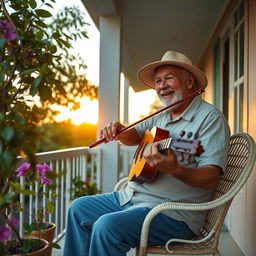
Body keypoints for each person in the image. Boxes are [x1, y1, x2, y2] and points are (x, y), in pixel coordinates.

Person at [63, 51, 230, 256]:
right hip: (131, 197)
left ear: (189, 82)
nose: (161, 86)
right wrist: (120, 130)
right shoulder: (162, 116)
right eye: (158, 81)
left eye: (169, 78)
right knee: (78, 208)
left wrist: (176, 169)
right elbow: (134, 136)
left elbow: (210, 178)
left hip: (170, 213)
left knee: (107, 227)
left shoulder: (210, 119)